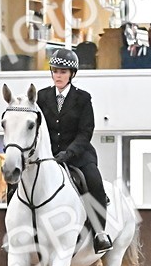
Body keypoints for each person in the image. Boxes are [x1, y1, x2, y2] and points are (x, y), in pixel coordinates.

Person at [37, 48, 112, 253]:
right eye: (55, 71)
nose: (58, 75)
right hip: (49, 156)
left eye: (63, 71)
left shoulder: (83, 98)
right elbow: (38, 128)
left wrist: (68, 154)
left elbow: (85, 131)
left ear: (72, 74)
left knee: (94, 181)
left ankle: (99, 232)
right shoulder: (41, 97)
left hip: (78, 155)